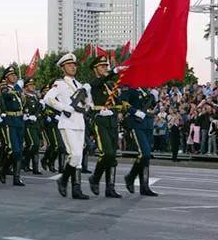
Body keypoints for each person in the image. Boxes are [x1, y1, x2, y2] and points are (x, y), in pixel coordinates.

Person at [43, 53, 91, 200]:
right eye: (69, 65)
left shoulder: (80, 85)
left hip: (79, 123)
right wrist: (64, 107)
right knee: (75, 155)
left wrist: (88, 106)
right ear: (63, 68)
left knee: (78, 157)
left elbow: (88, 103)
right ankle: (63, 180)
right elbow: (47, 98)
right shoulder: (60, 84)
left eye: (74, 64)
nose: (73, 67)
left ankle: (76, 189)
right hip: (67, 123)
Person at [87, 56, 123, 198]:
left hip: (112, 121)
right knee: (106, 153)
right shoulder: (93, 83)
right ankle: (95, 178)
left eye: (106, 66)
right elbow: (98, 82)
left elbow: (118, 102)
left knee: (112, 156)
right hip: (100, 121)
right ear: (95, 69)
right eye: (102, 67)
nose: (105, 69)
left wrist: (118, 109)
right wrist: (114, 71)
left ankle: (110, 188)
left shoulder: (110, 85)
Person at [121, 87, 158, 196]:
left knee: (146, 157)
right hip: (137, 124)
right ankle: (130, 177)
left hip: (148, 124)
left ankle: (144, 187)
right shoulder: (129, 88)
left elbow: (151, 106)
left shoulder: (147, 90)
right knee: (144, 154)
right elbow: (123, 103)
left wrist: (154, 97)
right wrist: (135, 111)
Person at [0, 66, 25, 185]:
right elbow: (6, 96)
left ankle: (16, 177)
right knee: (13, 150)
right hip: (10, 121)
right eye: (11, 75)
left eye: (15, 74)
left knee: (19, 150)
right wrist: (15, 90)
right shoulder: (5, 89)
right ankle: (3, 170)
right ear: (6, 78)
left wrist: (18, 89)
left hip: (19, 120)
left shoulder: (18, 88)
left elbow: (23, 102)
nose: (14, 76)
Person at [22, 78, 43, 176]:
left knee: (36, 145)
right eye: (30, 85)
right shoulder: (24, 97)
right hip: (28, 124)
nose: (33, 86)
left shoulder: (35, 97)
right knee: (33, 144)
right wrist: (27, 115)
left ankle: (35, 168)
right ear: (26, 87)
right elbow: (22, 108)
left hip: (36, 124)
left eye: (33, 85)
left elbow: (38, 109)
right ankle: (25, 162)